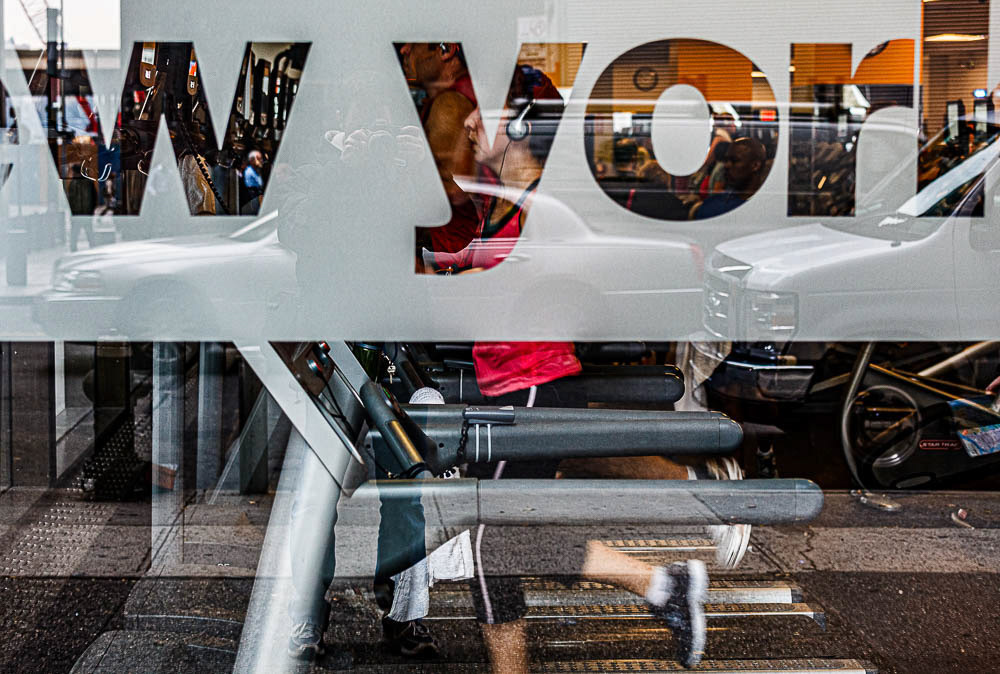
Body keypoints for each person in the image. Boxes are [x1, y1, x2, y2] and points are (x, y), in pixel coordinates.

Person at [451, 65, 710, 671]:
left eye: (482, 112)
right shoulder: (501, 201)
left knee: (491, 541)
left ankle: (663, 586)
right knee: (513, 536)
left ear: (520, 126)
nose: (466, 122)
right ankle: (664, 586)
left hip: (533, 385)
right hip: (514, 386)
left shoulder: (543, 208)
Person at [397, 43, 479, 271]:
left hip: (459, 262)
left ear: (445, 50)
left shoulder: (450, 104)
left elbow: (456, 193)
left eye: (413, 42)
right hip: (459, 258)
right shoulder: (459, 95)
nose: (404, 50)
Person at [694, 137, 767, 219]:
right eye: (726, 160)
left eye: (734, 160)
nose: (727, 165)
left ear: (755, 165)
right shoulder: (711, 206)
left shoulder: (767, 208)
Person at [243, 149, 264, 214]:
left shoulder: (257, 170)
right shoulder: (249, 171)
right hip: (252, 196)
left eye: (260, 158)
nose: (261, 161)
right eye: (258, 159)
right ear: (252, 160)